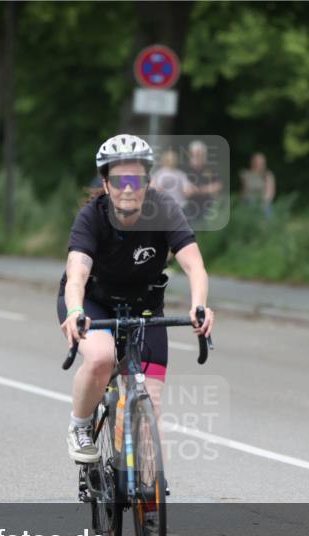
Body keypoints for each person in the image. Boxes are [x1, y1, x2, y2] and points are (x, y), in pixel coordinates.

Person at [57, 133, 215, 463]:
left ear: (147, 181)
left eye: (136, 179)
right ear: (105, 182)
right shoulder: (91, 217)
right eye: (119, 180)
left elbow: (194, 265)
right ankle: (80, 425)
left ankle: (145, 491)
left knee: (150, 402)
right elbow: (77, 274)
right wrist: (74, 310)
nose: (128, 188)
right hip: (92, 302)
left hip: (144, 306)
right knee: (100, 359)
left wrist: (199, 305)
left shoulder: (164, 209)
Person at [183, 140, 221, 224]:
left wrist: (199, 190)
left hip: (208, 206)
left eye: (200, 153)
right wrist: (206, 189)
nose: (198, 156)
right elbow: (185, 190)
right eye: (195, 153)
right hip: (188, 206)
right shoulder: (184, 169)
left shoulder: (210, 168)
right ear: (190, 154)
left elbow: (217, 186)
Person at [240, 152, 276, 218]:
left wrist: (264, 202)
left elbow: (270, 191)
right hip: (248, 200)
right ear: (252, 162)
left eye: (260, 162)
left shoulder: (267, 174)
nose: (258, 164)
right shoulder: (246, 174)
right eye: (256, 161)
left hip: (262, 200)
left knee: (266, 213)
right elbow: (244, 190)